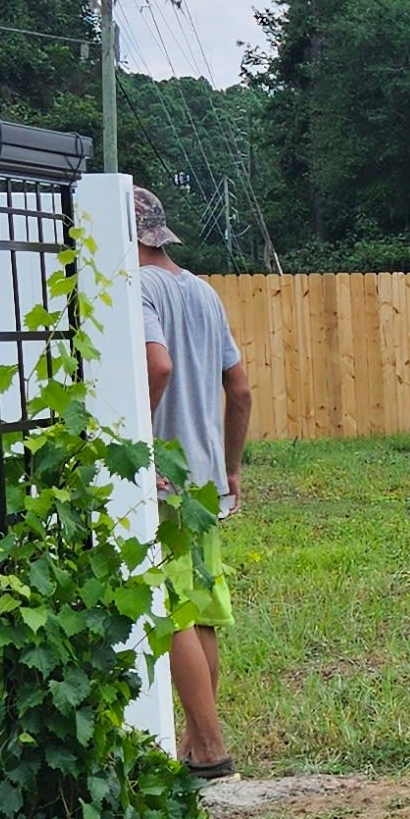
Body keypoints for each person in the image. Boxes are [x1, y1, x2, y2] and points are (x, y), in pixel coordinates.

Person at [134, 183, 252, 780]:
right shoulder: (203, 291)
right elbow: (241, 389)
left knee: (172, 608)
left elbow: (158, 365)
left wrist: (141, 439)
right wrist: (231, 465)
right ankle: (194, 747)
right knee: (201, 610)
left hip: (164, 481)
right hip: (205, 479)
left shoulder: (139, 289)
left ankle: (209, 748)